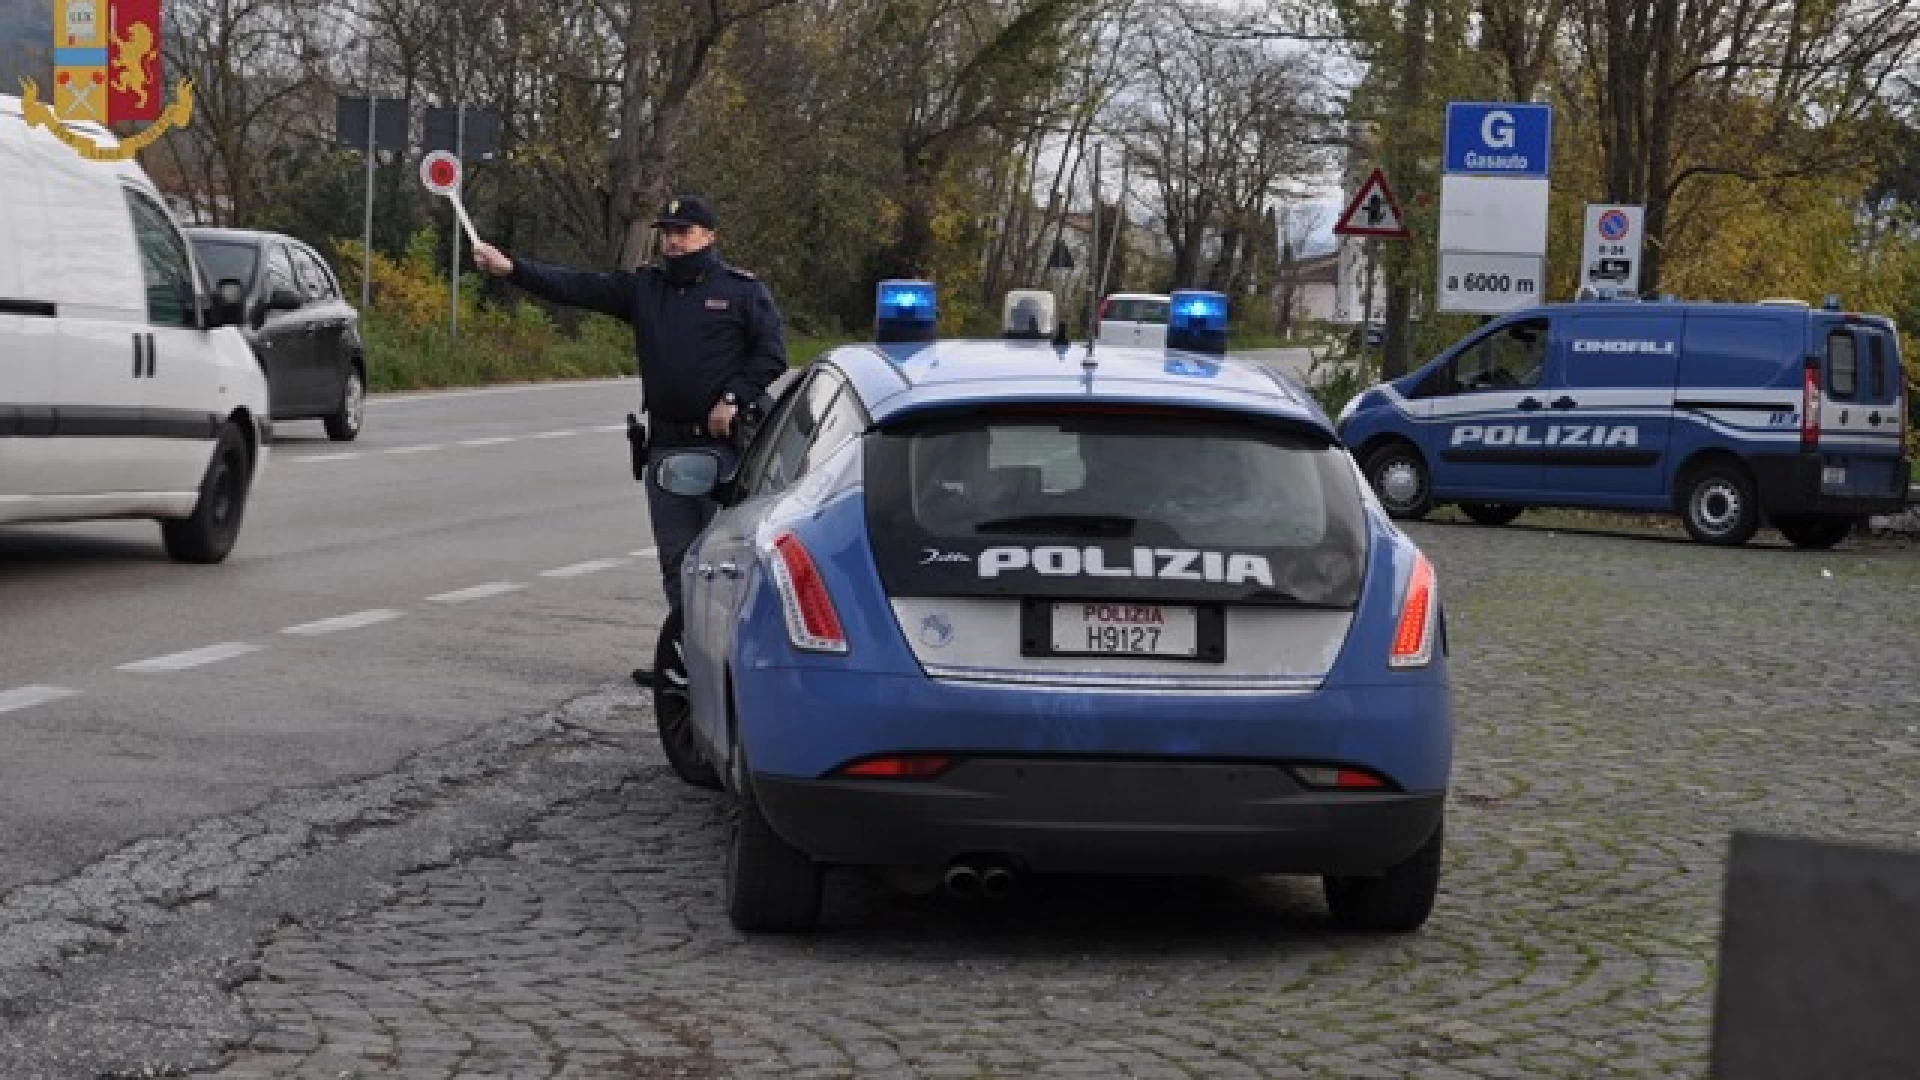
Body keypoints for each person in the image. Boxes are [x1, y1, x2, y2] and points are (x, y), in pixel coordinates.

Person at [470, 195, 788, 682]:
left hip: (726, 451)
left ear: (709, 236)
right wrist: (511, 268)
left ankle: (739, 665)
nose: (673, 242)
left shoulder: (741, 292)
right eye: (667, 233)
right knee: (677, 563)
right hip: (666, 449)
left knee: (723, 563)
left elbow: (771, 357)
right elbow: (576, 286)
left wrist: (733, 397)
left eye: (683, 232)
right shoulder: (647, 288)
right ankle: (691, 664)